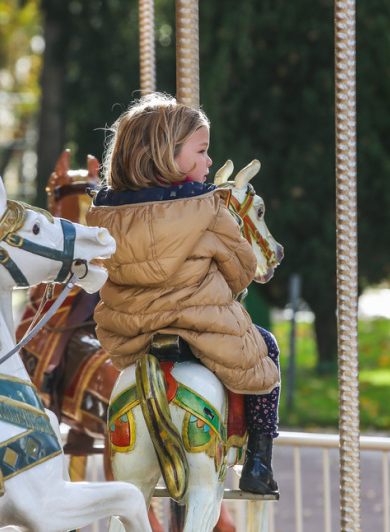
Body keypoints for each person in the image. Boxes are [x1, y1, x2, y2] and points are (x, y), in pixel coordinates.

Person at [86, 92, 281, 494]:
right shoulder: (207, 207)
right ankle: (259, 463)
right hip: (201, 332)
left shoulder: (104, 214)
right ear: (165, 154)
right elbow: (242, 270)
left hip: (132, 340)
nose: (210, 162)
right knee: (266, 349)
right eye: (203, 150)